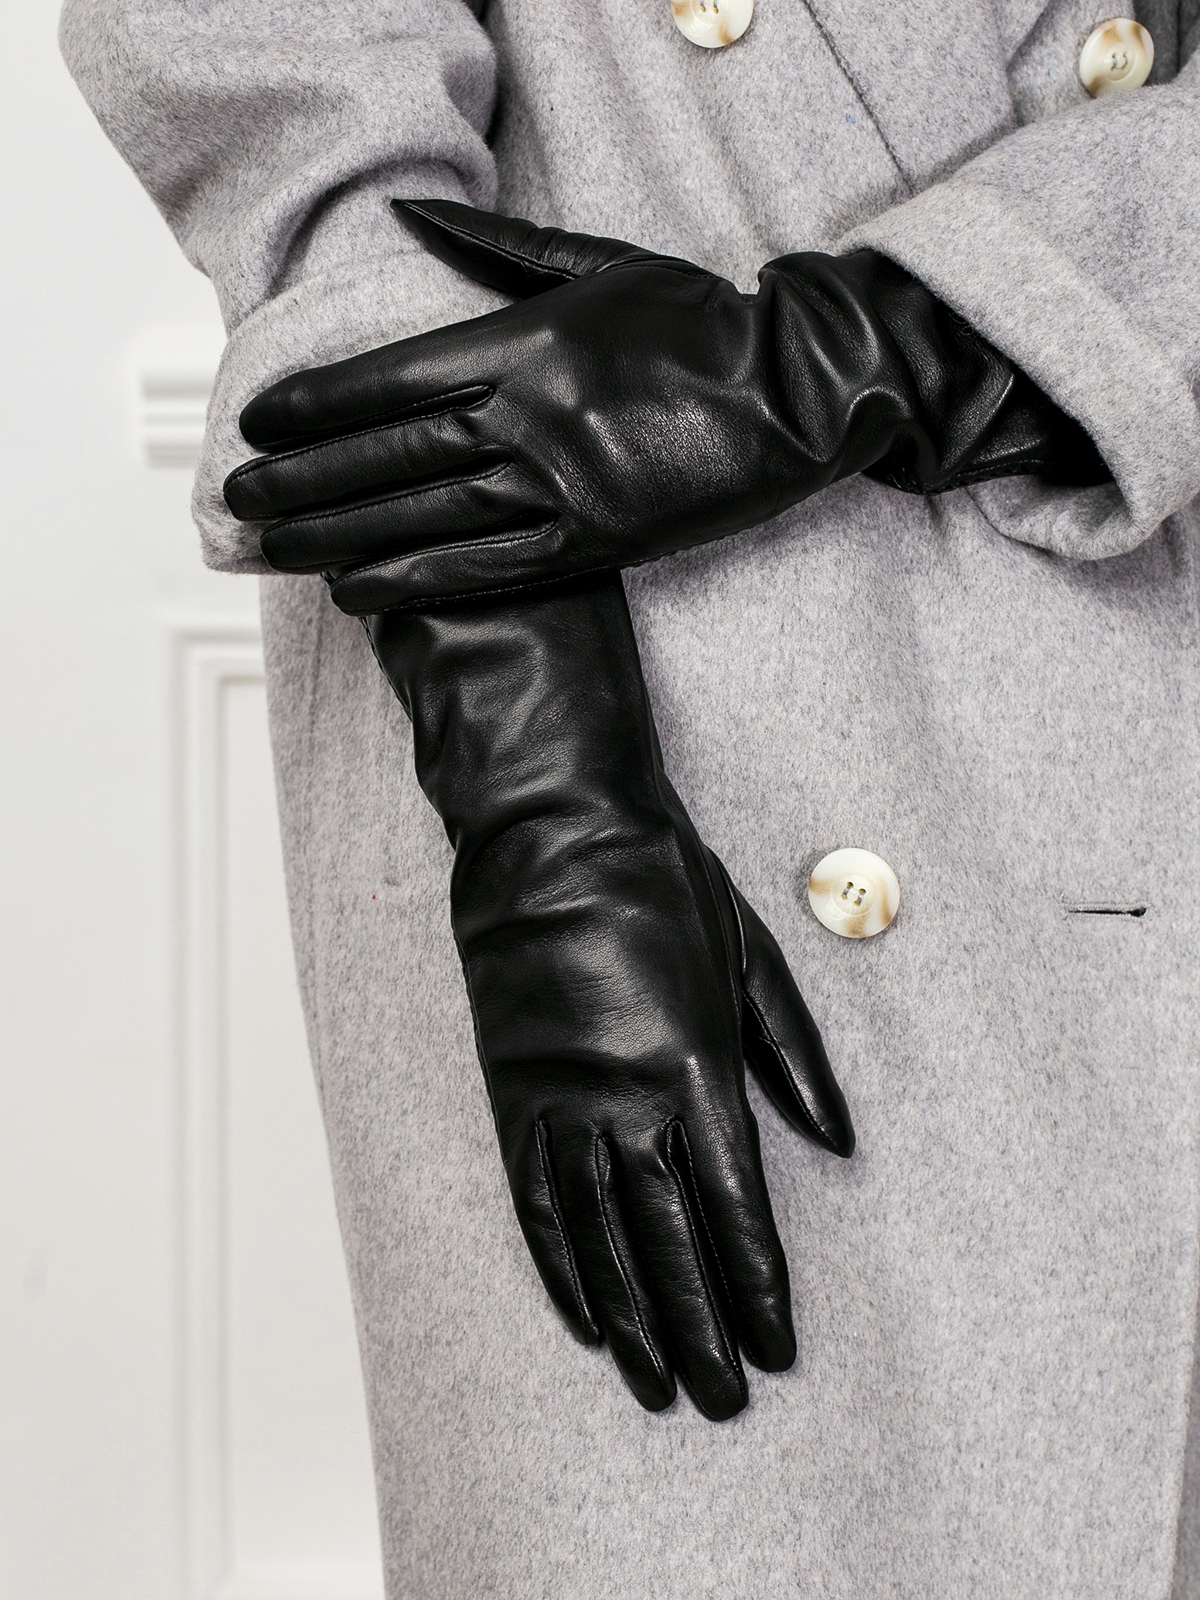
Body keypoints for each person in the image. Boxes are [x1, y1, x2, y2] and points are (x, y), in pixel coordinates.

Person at [61, 0, 1200, 1593]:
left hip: (1132, 455)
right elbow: (286, 86)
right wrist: (544, 788)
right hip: (627, 678)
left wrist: (878, 345)